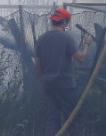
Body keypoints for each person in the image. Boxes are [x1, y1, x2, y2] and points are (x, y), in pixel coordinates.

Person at [33, 8, 93, 136]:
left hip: (48, 84)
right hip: (65, 85)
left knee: (52, 118)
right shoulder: (66, 38)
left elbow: (37, 64)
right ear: (65, 22)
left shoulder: (41, 39)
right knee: (73, 118)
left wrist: (43, 79)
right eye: (68, 22)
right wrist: (87, 44)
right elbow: (80, 58)